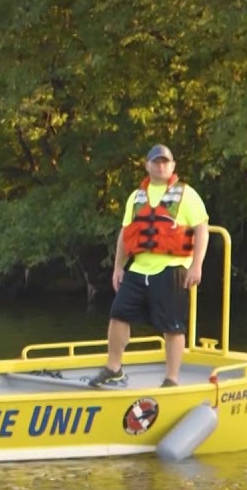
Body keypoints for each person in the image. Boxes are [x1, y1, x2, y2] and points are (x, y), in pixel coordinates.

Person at [89, 144, 209, 388]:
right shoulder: (136, 196)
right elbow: (126, 233)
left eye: (165, 162)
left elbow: (201, 228)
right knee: (118, 314)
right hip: (138, 268)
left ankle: (171, 378)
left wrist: (197, 265)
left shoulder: (186, 194)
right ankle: (114, 368)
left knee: (172, 325)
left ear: (173, 166)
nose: (161, 165)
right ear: (147, 166)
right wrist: (118, 267)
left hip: (172, 267)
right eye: (156, 162)